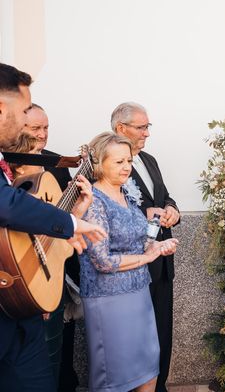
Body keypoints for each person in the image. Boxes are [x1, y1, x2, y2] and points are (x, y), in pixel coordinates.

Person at [0, 63, 106, 392]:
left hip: (19, 311)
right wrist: (71, 223)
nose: (26, 120)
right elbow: (7, 205)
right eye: (24, 109)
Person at [80, 132, 179, 392]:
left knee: (148, 369)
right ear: (100, 164)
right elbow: (101, 260)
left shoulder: (127, 194)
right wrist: (146, 257)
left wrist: (156, 245)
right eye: (119, 162)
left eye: (128, 161)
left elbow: (140, 238)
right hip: (109, 301)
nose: (127, 167)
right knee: (115, 377)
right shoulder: (93, 202)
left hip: (139, 294)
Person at [111, 102, 180, 392]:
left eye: (147, 126)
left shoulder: (149, 160)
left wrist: (172, 209)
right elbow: (112, 210)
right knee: (136, 336)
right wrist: (146, 214)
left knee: (161, 332)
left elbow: (163, 195)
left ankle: (159, 386)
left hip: (162, 262)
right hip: (133, 264)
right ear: (120, 129)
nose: (146, 133)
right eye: (141, 127)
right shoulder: (107, 164)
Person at [24, 103, 79, 392]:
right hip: (20, 269)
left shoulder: (56, 163)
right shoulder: (8, 166)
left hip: (53, 268)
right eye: (36, 128)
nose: (43, 134)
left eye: (46, 127)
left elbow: (65, 214)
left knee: (54, 351)